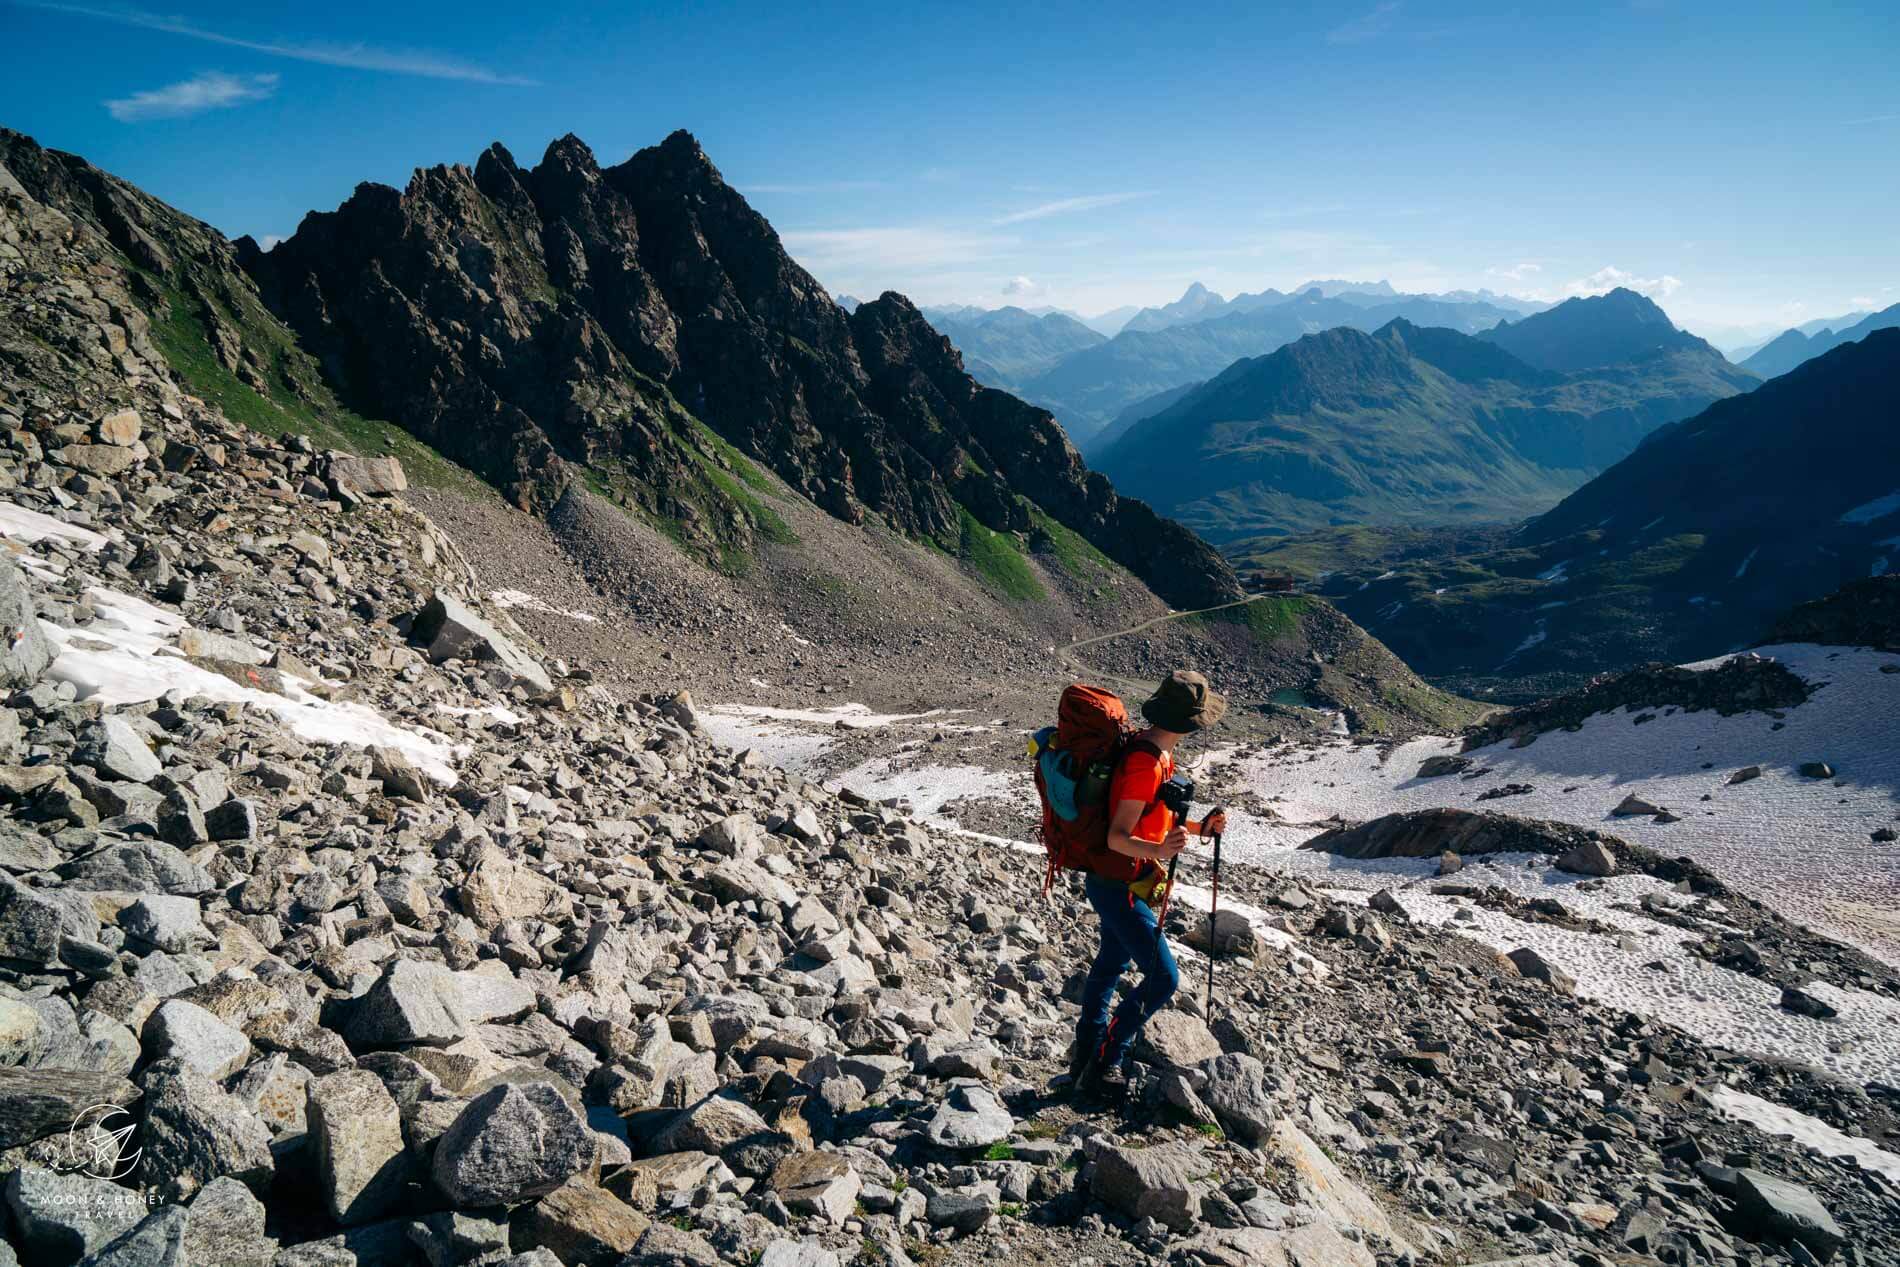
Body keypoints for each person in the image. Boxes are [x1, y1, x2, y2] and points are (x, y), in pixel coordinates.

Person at [1071, 669, 1228, 1098]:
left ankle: (1087, 1050)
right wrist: (1159, 852)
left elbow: (1150, 818)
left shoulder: (1156, 751)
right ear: (1191, 722)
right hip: (1118, 882)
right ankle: (1106, 1060)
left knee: (1111, 965)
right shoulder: (1145, 762)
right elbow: (1117, 836)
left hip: (1119, 880)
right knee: (1163, 978)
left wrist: (1199, 829)